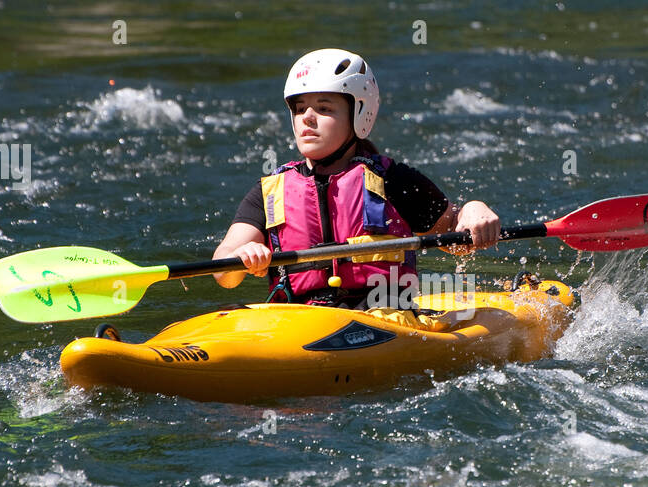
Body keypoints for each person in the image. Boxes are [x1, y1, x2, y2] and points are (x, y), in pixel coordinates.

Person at [213, 48, 500, 309]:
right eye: (300, 109)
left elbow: (455, 237)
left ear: (359, 113)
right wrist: (244, 254)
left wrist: (474, 209)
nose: (307, 118)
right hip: (297, 319)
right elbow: (223, 273)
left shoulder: (391, 179)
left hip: (382, 315)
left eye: (324, 108)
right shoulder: (269, 191)